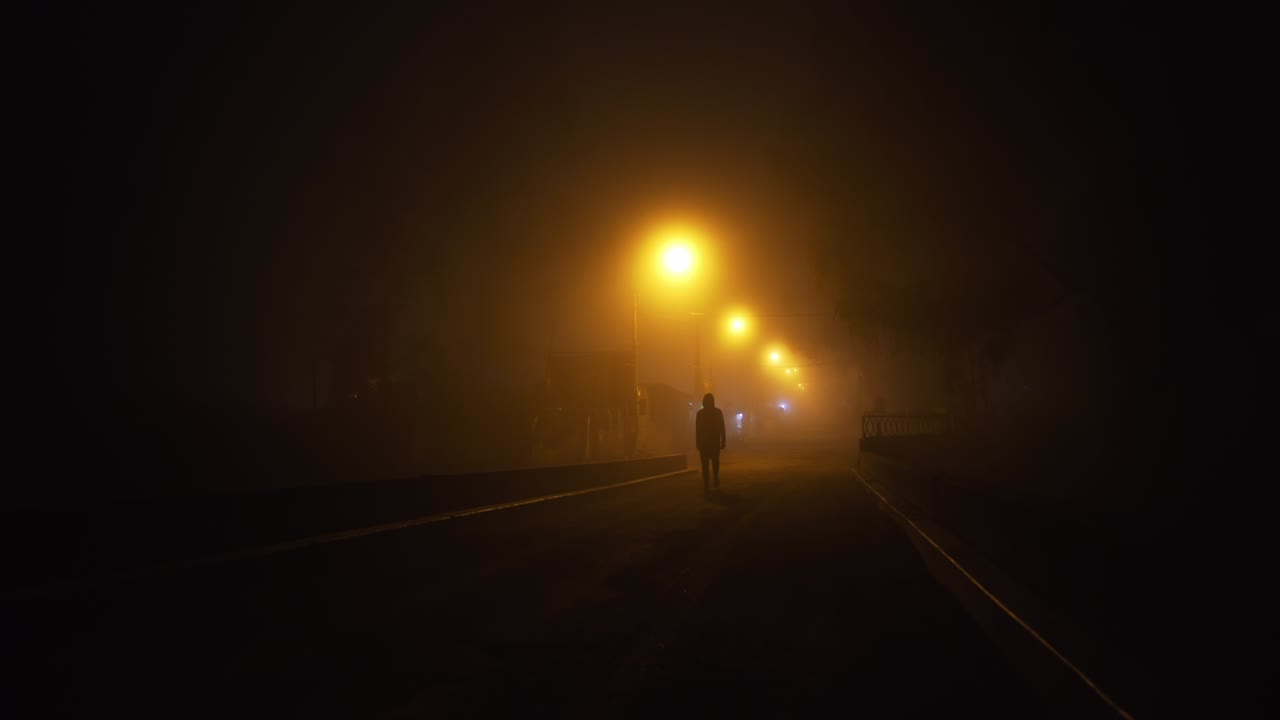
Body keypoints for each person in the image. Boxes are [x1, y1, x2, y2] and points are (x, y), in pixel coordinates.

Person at [695, 392, 726, 492]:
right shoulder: (717, 413)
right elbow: (722, 427)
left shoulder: (700, 414)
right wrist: (723, 440)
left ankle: (706, 484)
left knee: (705, 465)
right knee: (715, 462)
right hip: (714, 443)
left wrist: (698, 442)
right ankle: (715, 478)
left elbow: (697, 430)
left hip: (704, 444)